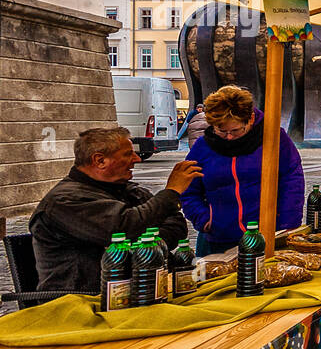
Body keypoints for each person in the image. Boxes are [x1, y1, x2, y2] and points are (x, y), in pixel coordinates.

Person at [30, 127, 199, 291]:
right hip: (81, 298)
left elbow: (176, 224)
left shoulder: (128, 190)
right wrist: (172, 192)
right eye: (128, 154)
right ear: (100, 160)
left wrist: (144, 243)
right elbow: (125, 227)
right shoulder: (64, 200)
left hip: (138, 290)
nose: (137, 159)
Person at [180, 85, 305, 255]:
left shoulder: (274, 138)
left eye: (236, 130)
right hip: (218, 239)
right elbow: (187, 188)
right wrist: (203, 218)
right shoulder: (203, 147)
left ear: (251, 119)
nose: (229, 137)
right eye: (222, 131)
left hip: (267, 235)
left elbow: (292, 180)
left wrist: (288, 224)